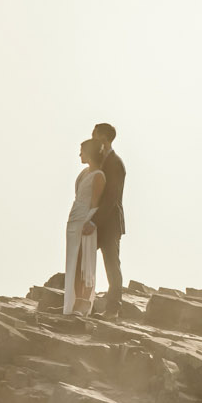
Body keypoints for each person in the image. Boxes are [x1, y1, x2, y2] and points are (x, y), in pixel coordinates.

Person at [63, 137, 107, 317]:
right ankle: (72, 302)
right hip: (74, 219)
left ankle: (83, 303)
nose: (79, 154)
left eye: (82, 151)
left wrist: (90, 221)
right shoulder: (83, 174)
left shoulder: (99, 176)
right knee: (73, 261)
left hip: (85, 222)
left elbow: (95, 203)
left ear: (89, 153)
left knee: (84, 262)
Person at [92, 121, 126, 312]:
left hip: (110, 222)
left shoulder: (115, 163)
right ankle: (81, 302)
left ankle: (113, 309)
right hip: (96, 220)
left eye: (94, 135)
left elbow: (112, 197)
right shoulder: (99, 161)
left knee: (112, 263)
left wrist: (94, 221)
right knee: (84, 258)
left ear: (103, 138)